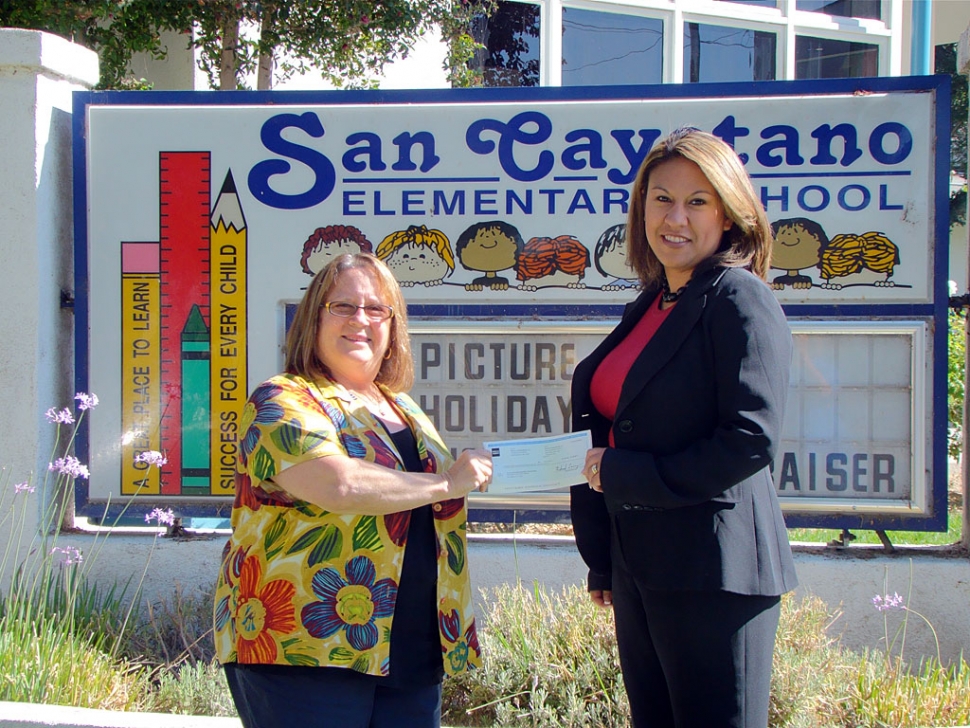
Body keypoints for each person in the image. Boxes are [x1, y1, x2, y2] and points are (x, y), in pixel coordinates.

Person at [570, 127, 798, 728]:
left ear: (730, 214)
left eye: (698, 201)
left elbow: (751, 439)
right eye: (660, 197)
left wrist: (628, 475)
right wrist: (603, 558)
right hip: (640, 567)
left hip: (715, 575)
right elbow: (613, 425)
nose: (676, 217)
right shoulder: (653, 301)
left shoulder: (739, 298)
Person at [214, 252, 493, 728]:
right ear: (313, 318)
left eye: (375, 308)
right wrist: (448, 480)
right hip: (306, 646)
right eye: (342, 306)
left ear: (393, 325)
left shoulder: (401, 407)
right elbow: (337, 484)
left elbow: (423, 500)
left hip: (409, 646)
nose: (360, 319)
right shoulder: (282, 398)